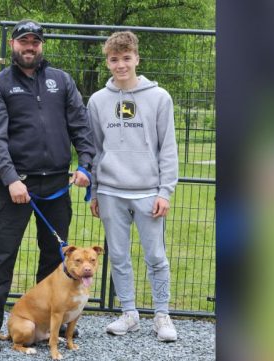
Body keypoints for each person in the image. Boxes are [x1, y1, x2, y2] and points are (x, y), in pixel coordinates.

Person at [0, 19, 95, 353]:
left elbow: (80, 127)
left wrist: (85, 164)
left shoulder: (62, 81)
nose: (30, 47)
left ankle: (47, 325)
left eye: (35, 42)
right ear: (12, 44)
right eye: (24, 41)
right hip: (16, 189)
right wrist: (12, 178)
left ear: (41, 45)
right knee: (2, 258)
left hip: (57, 187)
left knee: (55, 261)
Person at [88, 30, 179, 342]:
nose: (120, 65)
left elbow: (167, 148)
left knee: (155, 256)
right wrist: (95, 190)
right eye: (114, 59)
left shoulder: (159, 97)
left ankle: (162, 315)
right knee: (119, 255)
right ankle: (129, 313)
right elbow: (95, 149)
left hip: (148, 192)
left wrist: (165, 191)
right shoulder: (97, 101)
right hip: (111, 192)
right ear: (108, 62)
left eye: (126, 58)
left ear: (137, 58)